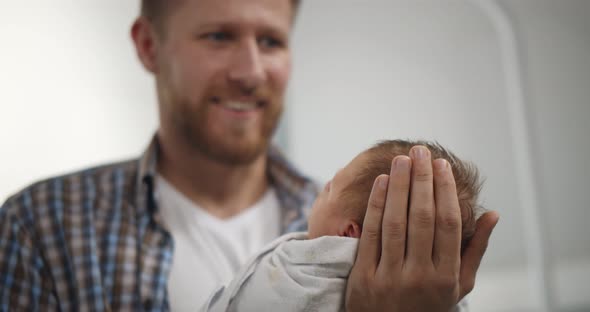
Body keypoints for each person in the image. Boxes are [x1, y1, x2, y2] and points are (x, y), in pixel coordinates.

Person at [0, 0, 499, 311]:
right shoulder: (39, 228)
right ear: (150, 45)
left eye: (271, 41)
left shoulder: (379, 233)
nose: (251, 71)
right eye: (218, 36)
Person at [200, 139, 483, 311]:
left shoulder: (298, 271)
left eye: (331, 187)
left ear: (348, 233)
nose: (322, 187)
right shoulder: (445, 300)